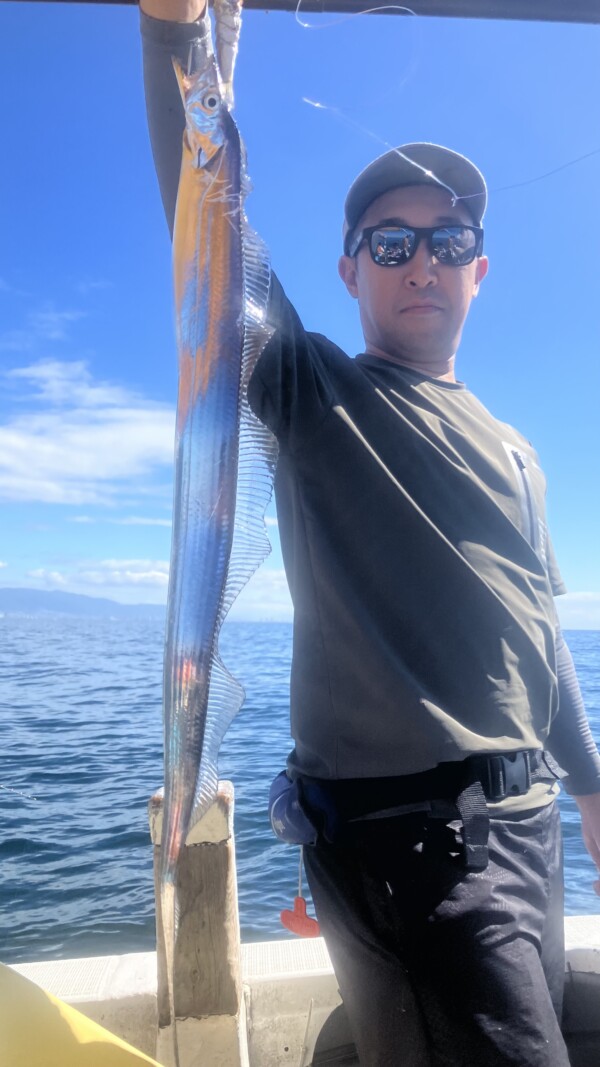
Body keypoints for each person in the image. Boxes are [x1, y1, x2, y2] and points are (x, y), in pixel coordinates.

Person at [139, 4, 600, 1064]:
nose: (422, 262)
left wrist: (590, 787)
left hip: (529, 833)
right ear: (350, 271)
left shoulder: (517, 446)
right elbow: (205, 225)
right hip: (413, 852)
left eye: (450, 242)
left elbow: (541, 632)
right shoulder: (313, 392)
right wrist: (173, 42)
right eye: (391, 243)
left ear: (480, 271)